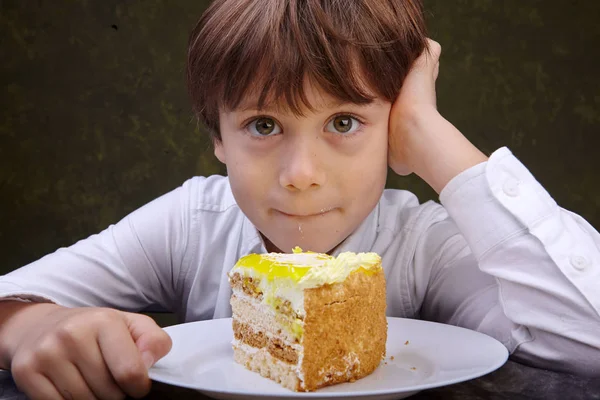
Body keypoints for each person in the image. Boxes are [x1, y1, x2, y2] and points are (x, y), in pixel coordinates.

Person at [1, 0, 599, 399]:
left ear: (393, 128)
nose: (301, 175)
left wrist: (431, 137)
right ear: (218, 137)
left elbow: (588, 340)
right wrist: (34, 324)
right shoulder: (191, 224)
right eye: (263, 126)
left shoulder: (426, 245)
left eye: (344, 122)